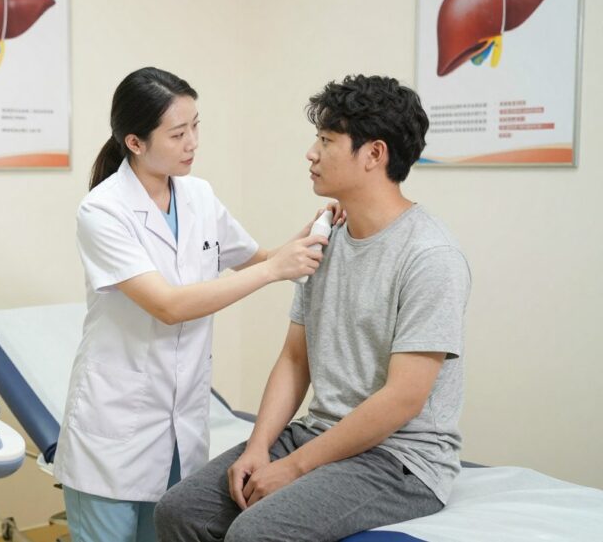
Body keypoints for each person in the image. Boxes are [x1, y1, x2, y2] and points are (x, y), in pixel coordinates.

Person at [154, 74, 472, 542]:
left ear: (374, 155)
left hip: (401, 458)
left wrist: (295, 467)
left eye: (326, 140)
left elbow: (404, 398)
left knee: (256, 532)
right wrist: (259, 448)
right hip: (319, 432)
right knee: (180, 511)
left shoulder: (430, 256)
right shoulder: (325, 239)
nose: (311, 153)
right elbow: (295, 358)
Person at [53, 67, 338, 542]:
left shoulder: (198, 195)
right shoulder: (102, 211)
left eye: (196, 127)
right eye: (178, 133)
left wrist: (308, 236)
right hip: (115, 429)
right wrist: (274, 269)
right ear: (136, 142)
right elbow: (167, 305)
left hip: (180, 426)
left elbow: (257, 258)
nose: (193, 143)